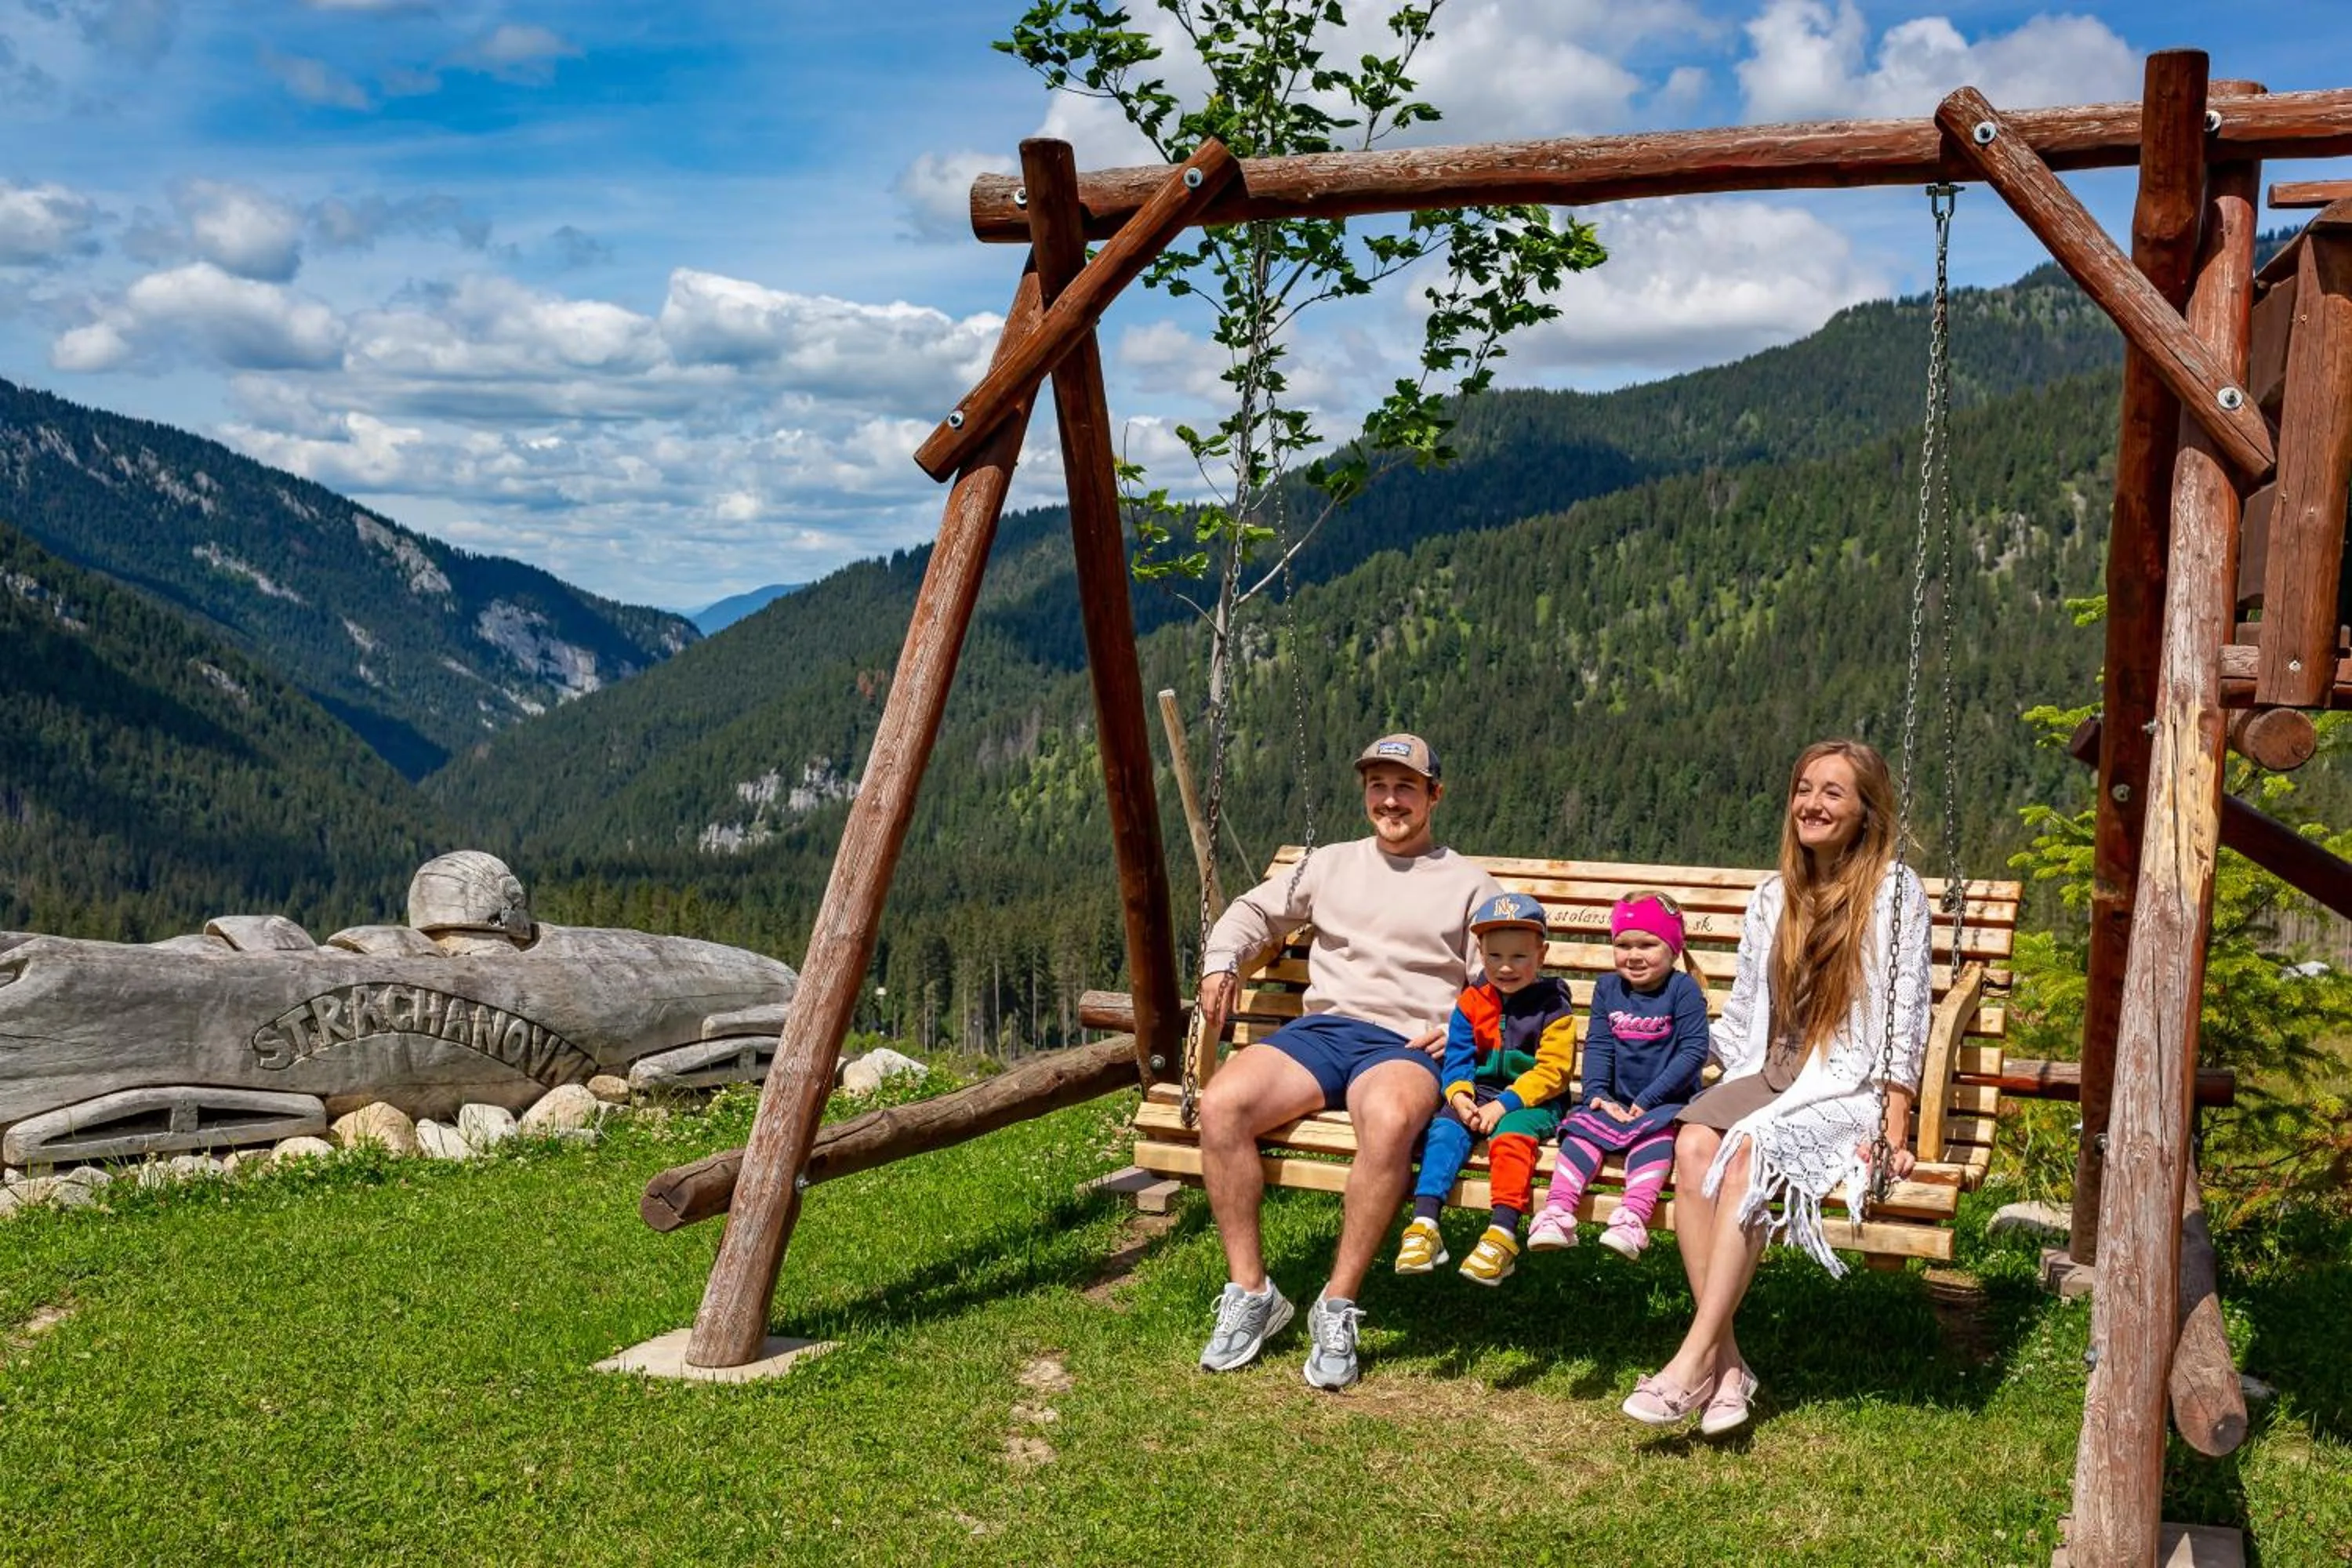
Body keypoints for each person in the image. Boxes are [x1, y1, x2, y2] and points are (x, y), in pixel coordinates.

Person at [1621, 739, 1929, 1437]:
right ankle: (1726, 1367)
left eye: (1833, 793)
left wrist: (1896, 1120)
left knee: (1750, 1153)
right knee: (1697, 1142)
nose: (1812, 805)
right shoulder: (1772, 896)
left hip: (1847, 1082)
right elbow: (1743, 1014)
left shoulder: (1895, 893)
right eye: (1804, 788)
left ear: (1865, 812)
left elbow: (1906, 1008)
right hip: (1772, 1068)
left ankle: (1689, 1359)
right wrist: (1692, 1059)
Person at [1192, 733, 1504, 1390]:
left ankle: (1336, 1303)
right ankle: (1252, 1292)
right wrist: (1223, 963)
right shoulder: (1331, 864)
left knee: (1390, 1121)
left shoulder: (1471, 886)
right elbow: (1253, 912)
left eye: (1406, 788)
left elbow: (1505, 983)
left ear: (1433, 796)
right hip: (1323, 1031)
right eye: (1378, 787)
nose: (1390, 801)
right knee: (1222, 1104)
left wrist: (1464, 1031)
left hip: (1403, 1045)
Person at [1392, 891, 1576, 1287]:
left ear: (1541, 955)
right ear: (1481, 952)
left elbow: (1554, 1071)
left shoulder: (1554, 1008)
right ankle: (1425, 1222)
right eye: (1495, 957)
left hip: (1534, 1101)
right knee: (1443, 1131)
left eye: (1519, 957)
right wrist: (1459, 1096)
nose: (1506, 968)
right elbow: (1458, 1057)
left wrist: (1505, 1105)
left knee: (1510, 1137)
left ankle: (1503, 1234)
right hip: (1478, 1095)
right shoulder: (1472, 1002)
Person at [1525, 890, 1710, 1258]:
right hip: (1615, 1102)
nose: (1634, 955)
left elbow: (1693, 1052)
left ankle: (1632, 1219)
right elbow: (1599, 1045)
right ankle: (1558, 1211)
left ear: (1673, 948)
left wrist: (1648, 1100)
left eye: (1647, 944)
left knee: (1654, 1140)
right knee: (1580, 1130)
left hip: (1666, 1103)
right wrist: (1597, 1094)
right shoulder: (1608, 988)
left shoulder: (1682, 989)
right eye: (1623, 944)